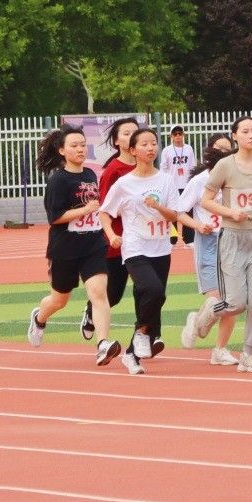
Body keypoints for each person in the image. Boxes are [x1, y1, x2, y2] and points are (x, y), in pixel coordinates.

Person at [100, 126, 210, 375]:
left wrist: (157, 207)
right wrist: (112, 235)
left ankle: (131, 353)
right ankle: (142, 333)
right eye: (144, 144)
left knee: (150, 299)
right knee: (154, 291)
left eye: (153, 143)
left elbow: (174, 215)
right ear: (133, 150)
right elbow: (105, 212)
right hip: (134, 247)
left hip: (160, 248)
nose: (150, 148)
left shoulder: (165, 180)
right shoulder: (124, 183)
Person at [27, 126, 122, 366]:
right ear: (62, 150)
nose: (80, 149)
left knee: (99, 292)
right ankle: (39, 318)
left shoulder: (90, 174)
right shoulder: (58, 180)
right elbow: (55, 217)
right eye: (74, 145)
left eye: (82, 144)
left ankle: (103, 344)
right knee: (59, 300)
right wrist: (85, 210)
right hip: (65, 248)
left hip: (93, 244)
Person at [200, 116, 252, 374]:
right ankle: (209, 312)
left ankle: (249, 354)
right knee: (236, 303)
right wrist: (230, 212)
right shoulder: (225, 166)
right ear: (234, 136)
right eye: (245, 131)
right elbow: (206, 200)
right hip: (232, 238)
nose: (251, 135)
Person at [178, 134, 240, 366]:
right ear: (210, 151)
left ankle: (220, 349)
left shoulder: (237, 177)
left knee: (234, 302)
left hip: (234, 241)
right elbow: (179, 211)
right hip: (209, 241)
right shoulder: (199, 181)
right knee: (216, 300)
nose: (223, 152)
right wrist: (197, 226)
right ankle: (199, 322)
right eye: (219, 148)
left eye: (227, 148)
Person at [80, 116, 140, 342]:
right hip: (116, 241)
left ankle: (146, 333)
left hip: (142, 241)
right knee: (112, 295)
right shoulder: (113, 171)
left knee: (148, 288)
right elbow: (105, 207)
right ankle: (90, 311)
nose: (131, 136)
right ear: (116, 141)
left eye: (135, 132)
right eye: (126, 133)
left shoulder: (147, 168)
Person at [160, 126, 196, 246]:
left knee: (188, 211)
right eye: (175, 134)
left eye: (180, 133)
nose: (178, 136)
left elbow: (192, 165)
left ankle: (189, 239)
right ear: (171, 136)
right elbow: (163, 167)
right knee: (173, 212)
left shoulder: (189, 149)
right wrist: (165, 182)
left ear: (183, 135)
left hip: (187, 184)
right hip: (173, 185)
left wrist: (192, 181)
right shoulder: (167, 150)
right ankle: (173, 239)